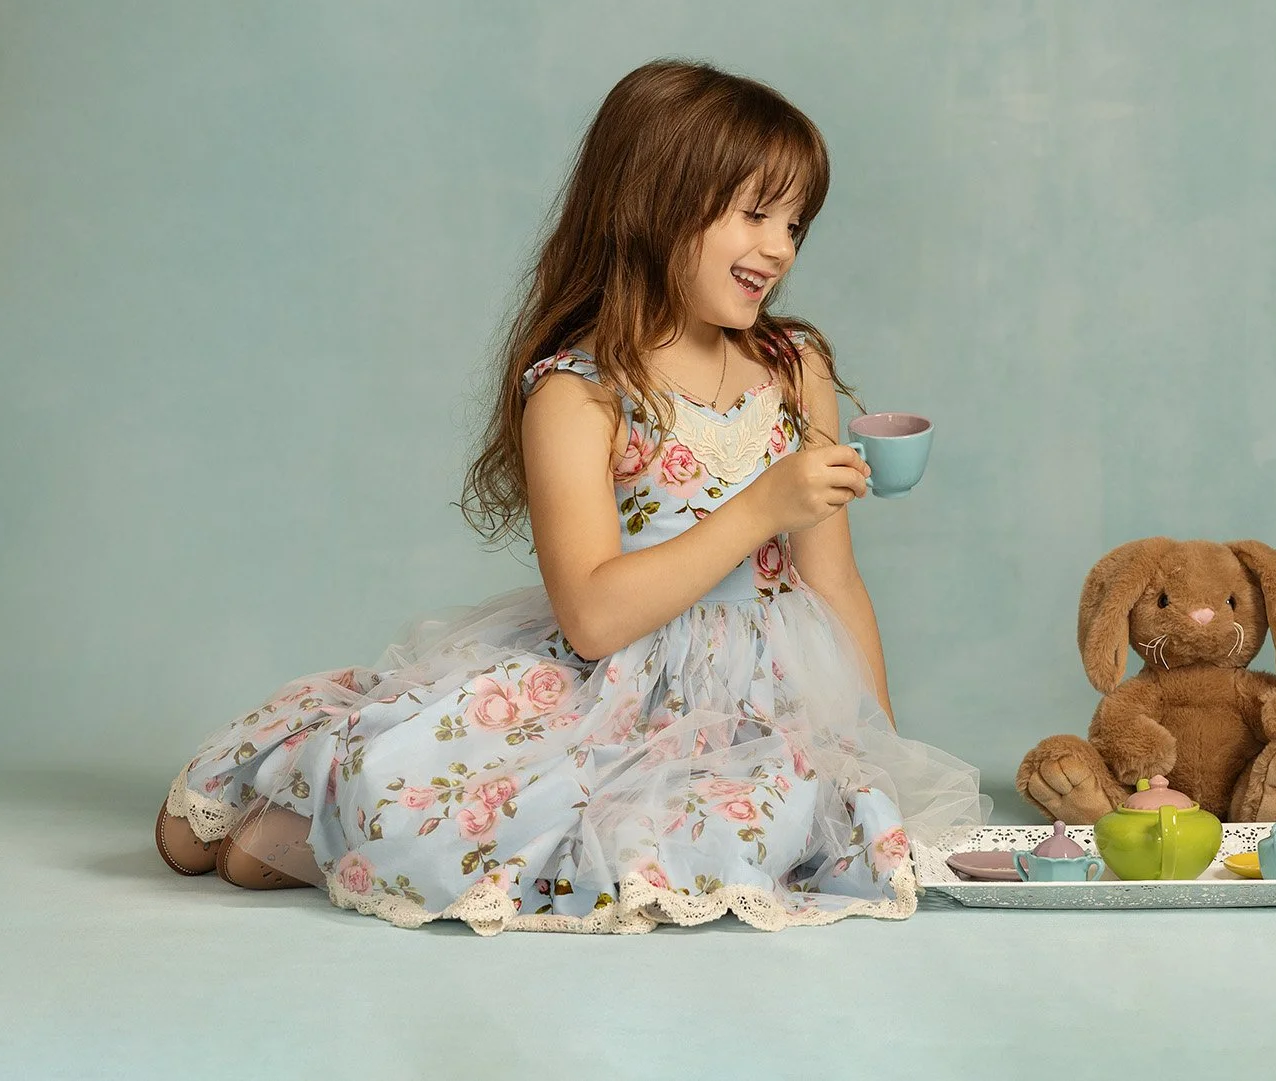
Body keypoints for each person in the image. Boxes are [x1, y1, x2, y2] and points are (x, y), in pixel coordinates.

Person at [154, 60, 983, 932]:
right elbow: (590, 615)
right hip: (616, 682)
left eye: (794, 223)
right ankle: (302, 799)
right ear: (657, 203)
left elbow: (834, 579)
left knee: (737, 833)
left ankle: (306, 833)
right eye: (753, 213)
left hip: (760, 698)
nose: (779, 247)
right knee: (281, 832)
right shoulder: (581, 389)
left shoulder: (792, 365)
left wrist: (882, 750)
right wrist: (761, 507)